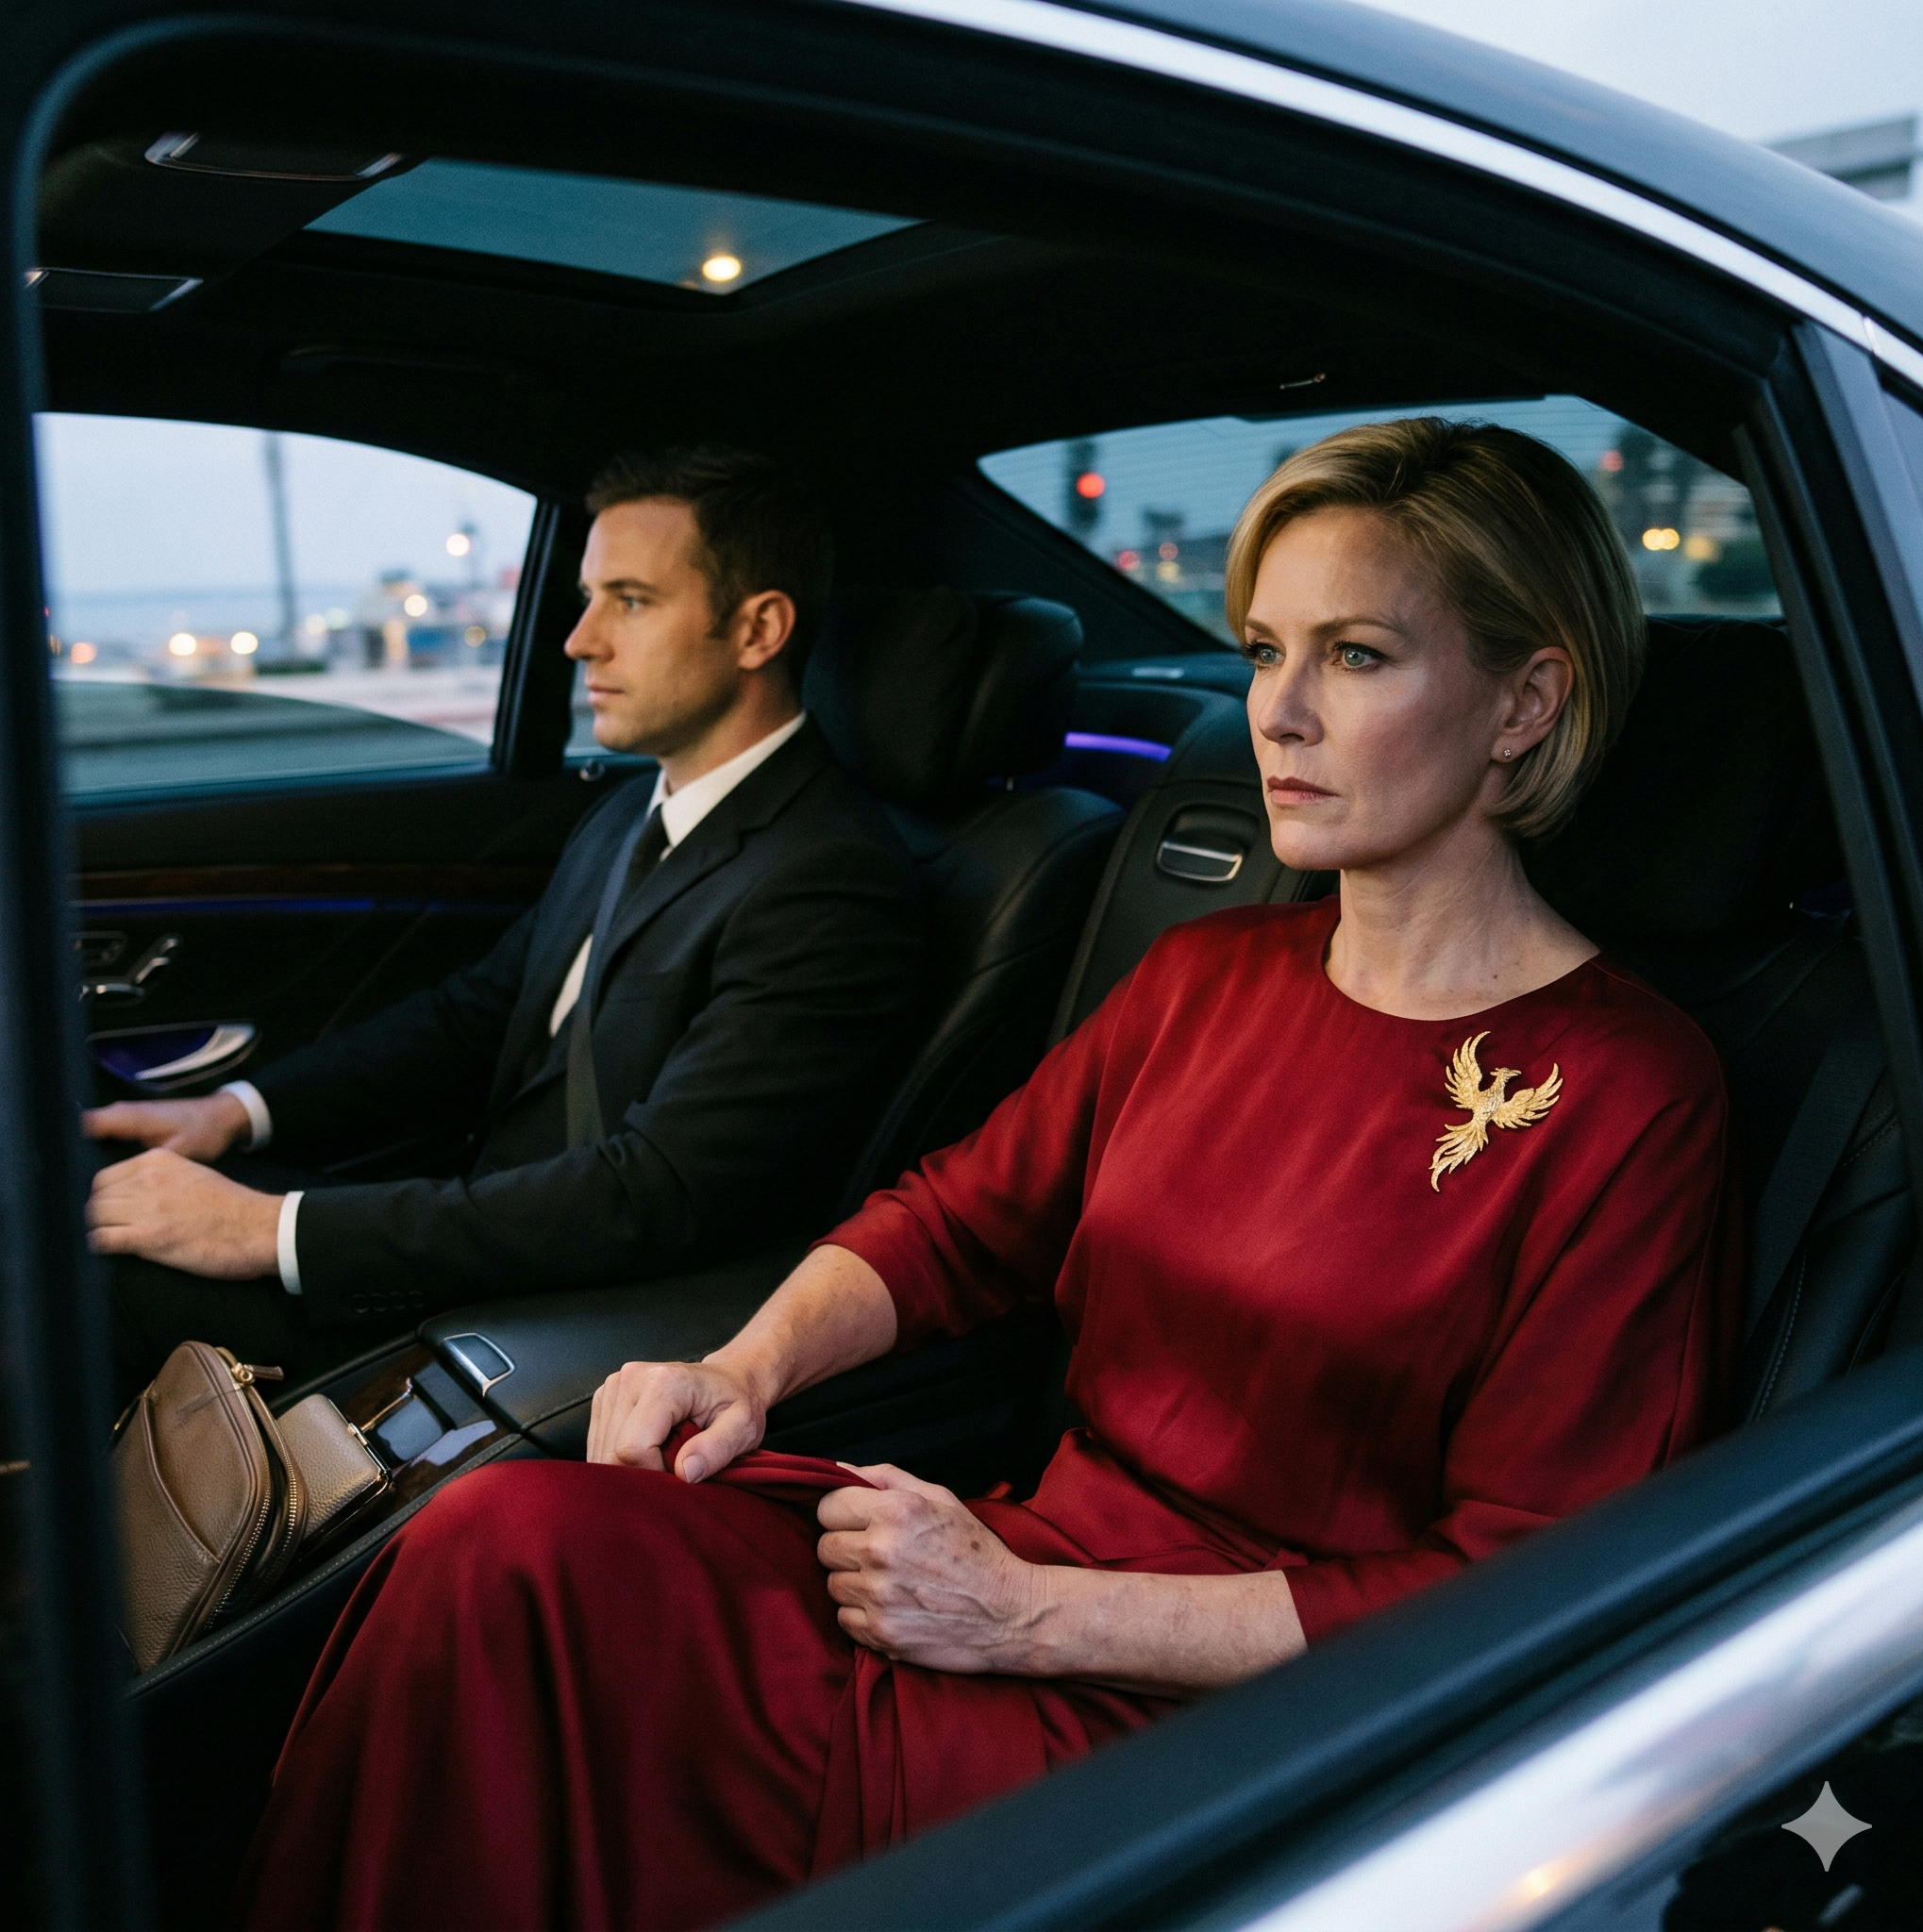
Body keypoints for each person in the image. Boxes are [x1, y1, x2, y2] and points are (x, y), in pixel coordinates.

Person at [231, 419, 1740, 1932]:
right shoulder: (1211, 976)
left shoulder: (1624, 1093)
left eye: (1355, 656)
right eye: (1263, 649)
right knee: (504, 1540)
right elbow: (956, 1219)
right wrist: (742, 1369)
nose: (1276, 714)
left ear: (1525, 702)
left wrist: (1028, 1616)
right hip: (1005, 1562)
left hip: (1239, 1712)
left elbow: (1527, 1584)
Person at [87, 445, 923, 1405]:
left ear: (757, 629)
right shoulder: (630, 812)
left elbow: (653, 1195)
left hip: (551, 1320)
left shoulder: (828, 880)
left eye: (630, 601)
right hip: (481, 1241)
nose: (579, 640)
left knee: (82, 1276)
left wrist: (268, 1229)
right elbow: (476, 1015)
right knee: (102, 1179)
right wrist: (233, 1112)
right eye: (588, 598)